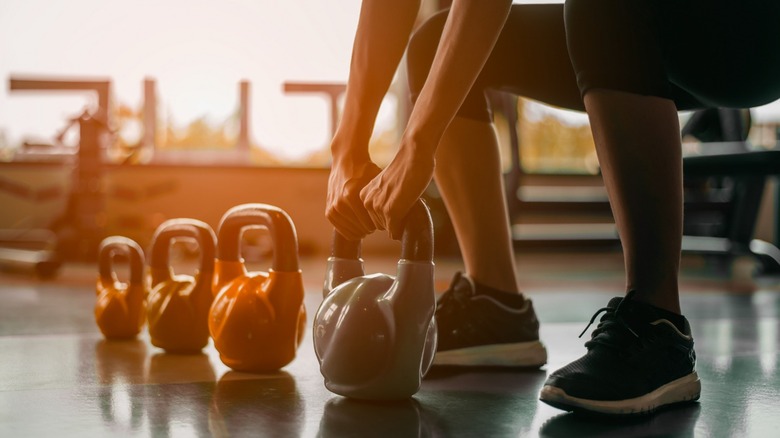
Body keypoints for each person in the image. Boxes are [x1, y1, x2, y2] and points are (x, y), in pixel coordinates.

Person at [325, 0, 780, 415]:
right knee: (432, 43)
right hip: (637, 27)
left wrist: (417, 144)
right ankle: (496, 307)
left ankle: (659, 327)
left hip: (752, 31)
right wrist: (347, 149)